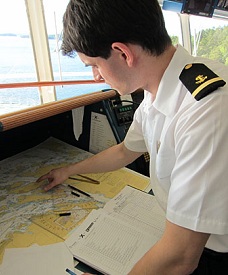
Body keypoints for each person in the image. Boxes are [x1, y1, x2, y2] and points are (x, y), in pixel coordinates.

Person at [37, 0, 228, 273]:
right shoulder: (157, 89)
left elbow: (181, 257)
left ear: (123, 54)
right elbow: (125, 151)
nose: (95, 77)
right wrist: (69, 171)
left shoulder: (206, 109)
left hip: (212, 251)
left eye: (94, 65)